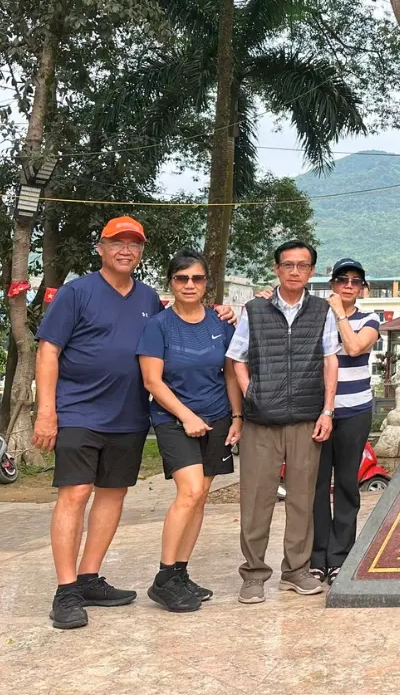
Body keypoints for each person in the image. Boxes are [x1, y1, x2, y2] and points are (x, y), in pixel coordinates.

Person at [32, 216, 161, 630]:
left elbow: (174, 333)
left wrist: (221, 314)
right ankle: (66, 590)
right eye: (117, 242)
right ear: (100, 248)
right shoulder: (76, 293)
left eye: (134, 244)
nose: (126, 249)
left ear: (140, 252)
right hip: (78, 412)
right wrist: (46, 412)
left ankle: (89, 577)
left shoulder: (149, 297)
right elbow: (48, 352)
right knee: (75, 493)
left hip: (130, 414)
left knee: (113, 493)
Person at [226, 239, 340, 603]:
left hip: (306, 418)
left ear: (311, 271)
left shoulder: (322, 310)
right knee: (256, 499)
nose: (294, 271)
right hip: (261, 422)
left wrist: (327, 410)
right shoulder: (255, 309)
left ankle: (296, 571)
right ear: (276, 269)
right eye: (288, 265)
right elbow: (237, 358)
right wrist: (253, 395)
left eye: (302, 265)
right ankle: (253, 573)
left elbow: (330, 360)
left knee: (302, 499)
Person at [137, 249, 238, 612]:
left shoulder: (220, 324)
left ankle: (180, 573)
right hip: (174, 419)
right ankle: (164, 578)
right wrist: (187, 416)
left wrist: (237, 416)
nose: (190, 284)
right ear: (171, 283)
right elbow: (152, 381)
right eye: (182, 278)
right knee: (190, 490)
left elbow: (230, 374)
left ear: (207, 283)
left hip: (218, 417)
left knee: (201, 496)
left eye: (197, 278)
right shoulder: (158, 326)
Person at [311, 257, 381, 582]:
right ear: (332, 284)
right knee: (316, 484)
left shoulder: (369, 318)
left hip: (354, 410)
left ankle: (340, 556)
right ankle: (317, 555)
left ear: (362, 288)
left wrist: (339, 312)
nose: (348, 285)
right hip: (318, 412)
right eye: (342, 280)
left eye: (355, 281)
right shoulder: (315, 318)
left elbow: (353, 348)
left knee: (347, 483)